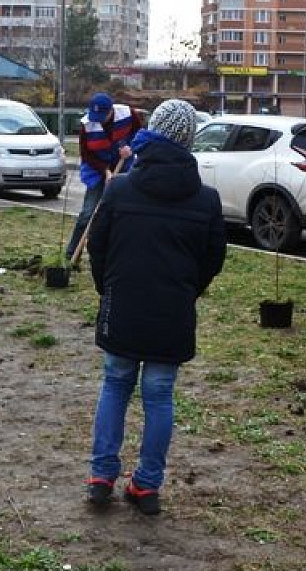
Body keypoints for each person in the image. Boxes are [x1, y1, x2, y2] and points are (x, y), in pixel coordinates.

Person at [85, 99, 227, 515]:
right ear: (189, 140)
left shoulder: (121, 188)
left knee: (115, 385)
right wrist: (187, 291)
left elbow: (99, 245)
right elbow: (212, 259)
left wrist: (108, 288)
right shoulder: (206, 200)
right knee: (159, 395)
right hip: (173, 310)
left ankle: (101, 476)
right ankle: (146, 485)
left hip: (123, 303)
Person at [67, 92, 141, 261]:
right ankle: (72, 254)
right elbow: (86, 154)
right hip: (96, 170)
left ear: (111, 111)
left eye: (102, 116)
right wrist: (105, 171)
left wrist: (130, 147)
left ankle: (117, 256)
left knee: (121, 213)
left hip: (124, 168)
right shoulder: (87, 125)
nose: (98, 120)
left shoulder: (128, 114)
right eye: (95, 116)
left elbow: (139, 134)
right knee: (88, 213)